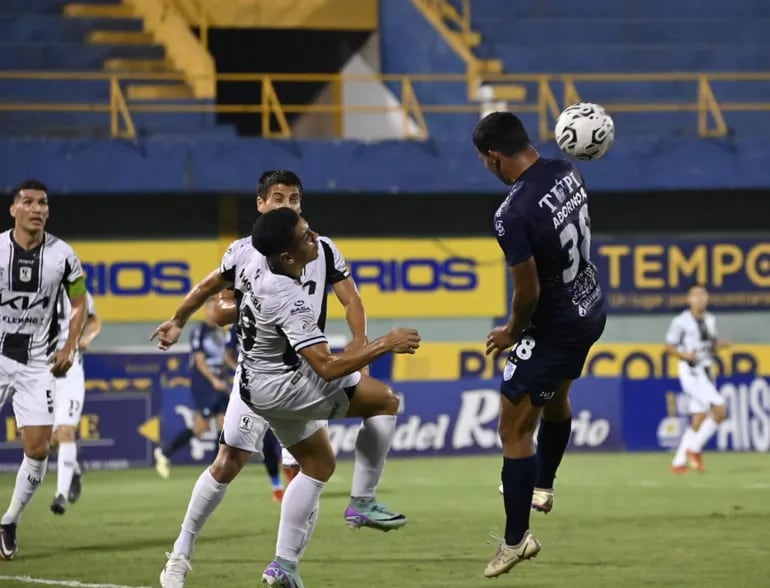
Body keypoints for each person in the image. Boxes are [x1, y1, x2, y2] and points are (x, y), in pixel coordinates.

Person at [155, 170, 372, 588]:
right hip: (256, 378)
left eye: (293, 198)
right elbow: (214, 303)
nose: (287, 204)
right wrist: (186, 317)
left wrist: (361, 344)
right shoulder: (245, 253)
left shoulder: (320, 249)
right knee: (227, 463)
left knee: (310, 471)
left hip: (307, 378)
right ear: (260, 204)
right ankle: (180, 555)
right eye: (277, 198)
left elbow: (351, 298)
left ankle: (285, 567)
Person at [473, 112, 607, 578]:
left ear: (493, 157)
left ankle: (516, 540)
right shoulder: (567, 170)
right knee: (557, 398)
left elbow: (526, 291)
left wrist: (511, 331)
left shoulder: (512, 213)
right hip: (590, 306)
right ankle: (543, 485)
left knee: (512, 428)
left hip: (553, 327)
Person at [0, 180, 87, 560]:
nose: (37, 209)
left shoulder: (64, 255)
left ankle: (9, 520)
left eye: (43, 204)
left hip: (38, 363)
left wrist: (69, 345)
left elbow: (80, 302)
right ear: (14, 209)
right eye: (29, 202)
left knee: (37, 448)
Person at [153, 297, 234, 479]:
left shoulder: (222, 333)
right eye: (212, 308)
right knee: (202, 427)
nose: (215, 312)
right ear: (206, 310)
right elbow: (199, 361)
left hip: (218, 381)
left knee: (224, 423)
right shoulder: (200, 332)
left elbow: (225, 357)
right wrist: (213, 380)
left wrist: (234, 370)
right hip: (204, 384)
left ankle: (216, 467)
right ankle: (165, 452)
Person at [665, 283, 730, 473]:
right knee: (719, 410)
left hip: (707, 370)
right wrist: (685, 355)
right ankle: (693, 450)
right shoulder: (681, 321)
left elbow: (710, 346)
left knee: (699, 417)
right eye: (696, 295)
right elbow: (669, 347)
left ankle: (678, 463)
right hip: (692, 372)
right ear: (689, 299)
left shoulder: (710, 319)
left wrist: (721, 345)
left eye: (703, 294)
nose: (700, 298)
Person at [50, 287, 101, 515]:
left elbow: (95, 322)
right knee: (45, 443)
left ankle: (60, 494)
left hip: (70, 372)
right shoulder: (32, 290)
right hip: (41, 375)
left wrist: (88, 337)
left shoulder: (79, 293)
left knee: (67, 432)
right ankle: (75, 470)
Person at [225, 321, 285, 500]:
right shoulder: (236, 323)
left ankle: (293, 482)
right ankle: (277, 485)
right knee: (266, 443)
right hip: (252, 389)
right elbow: (228, 354)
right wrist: (240, 369)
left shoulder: (273, 314)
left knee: (289, 440)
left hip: (279, 385)